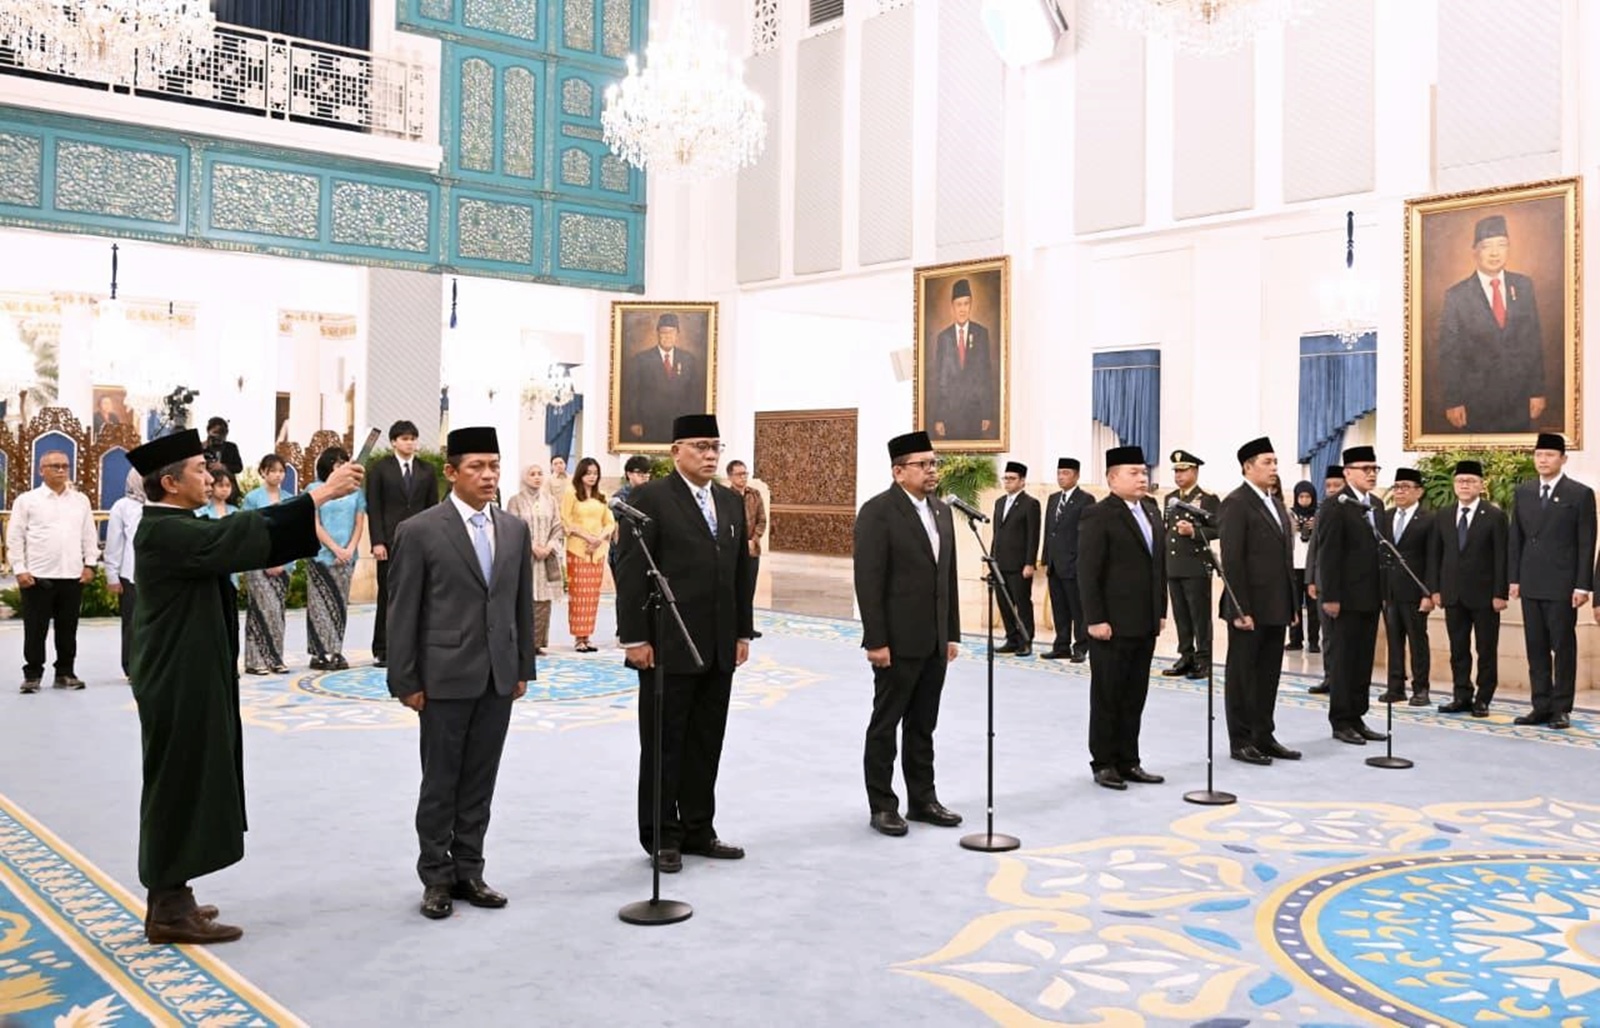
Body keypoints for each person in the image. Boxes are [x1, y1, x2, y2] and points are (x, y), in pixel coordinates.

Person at [128, 428, 364, 944]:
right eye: (198, 470)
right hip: (177, 679)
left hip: (191, 673)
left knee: (189, 779)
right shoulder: (164, 531)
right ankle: (167, 909)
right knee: (176, 784)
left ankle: (174, 897)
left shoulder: (180, 525)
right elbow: (241, 533)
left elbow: (240, 534)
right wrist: (322, 494)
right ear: (169, 483)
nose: (210, 477)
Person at [386, 426, 534, 920]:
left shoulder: (513, 529)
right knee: (441, 781)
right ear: (451, 472)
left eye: (494, 466)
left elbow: (518, 604)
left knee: (480, 780)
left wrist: (522, 666)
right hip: (443, 676)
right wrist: (405, 680)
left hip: (497, 676)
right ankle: (436, 875)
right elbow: (402, 610)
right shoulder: (420, 530)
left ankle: (470, 869)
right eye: (477, 467)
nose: (489, 475)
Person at [616, 414, 754, 869]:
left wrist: (741, 631)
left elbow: (740, 573)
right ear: (676, 451)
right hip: (667, 643)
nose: (710, 455)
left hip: (718, 644)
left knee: (706, 741)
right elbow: (632, 571)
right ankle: (661, 835)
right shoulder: (649, 499)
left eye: (715, 446)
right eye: (700, 446)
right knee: (665, 743)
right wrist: (635, 638)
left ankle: (699, 828)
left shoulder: (729, 502)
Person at [852, 430, 962, 836]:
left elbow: (947, 576)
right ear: (899, 472)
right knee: (886, 725)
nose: (932, 471)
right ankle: (882, 804)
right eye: (923, 464)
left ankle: (923, 799)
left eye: (934, 463)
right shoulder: (878, 512)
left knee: (923, 725)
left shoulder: (942, 511)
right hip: (896, 642)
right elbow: (869, 580)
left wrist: (951, 633)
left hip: (933, 639)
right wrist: (876, 640)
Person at [1078, 445, 1166, 791]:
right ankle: (1104, 762)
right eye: (1134, 472)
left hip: (1144, 621)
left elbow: (1158, 566)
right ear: (1113, 478)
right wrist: (1095, 619)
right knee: (1108, 695)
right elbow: (1088, 571)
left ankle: (1129, 760)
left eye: (1144, 472)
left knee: (1134, 695)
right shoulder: (1098, 515)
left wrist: (1160, 610)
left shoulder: (1151, 511)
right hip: (1111, 624)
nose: (1142, 478)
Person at [1218, 437, 1300, 766]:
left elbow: (1285, 559)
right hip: (1248, 608)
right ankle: (1241, 740)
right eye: (1267, 462)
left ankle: (1264, 735)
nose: (1274, 468)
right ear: (1247, 467)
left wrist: (1292, 604)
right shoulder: (1236, 503)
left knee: (1268, 675)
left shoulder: (1275, 504)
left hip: (1276, 605)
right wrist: (1241, 609)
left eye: (1275, 462)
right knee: (1243, 676)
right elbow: (1232, 560)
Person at [1512, 432, 1595, 729]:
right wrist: (1514, 578)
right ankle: (1541, 706)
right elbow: (1516, 538)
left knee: (1562, 647)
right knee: (1535, 648)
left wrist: (1583, 585)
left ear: (1563, 459)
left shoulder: (1579, 494)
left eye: (1549, 455)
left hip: (1562, 584)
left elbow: (1586, 542)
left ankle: (1561, 708)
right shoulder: (1523, 492)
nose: (1543, 460)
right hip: (1531, 582)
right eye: (1539, 455)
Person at [1437, 214, 1546, 434]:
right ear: (1475, 251)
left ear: (1509, 248)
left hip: (1519, 397)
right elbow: (1450, 353)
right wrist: (1453, 400)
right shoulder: (1457, 295)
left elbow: (1533, 341)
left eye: (1501, 245)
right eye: (1487, 246)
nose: (1495, 253)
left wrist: (1537, 391)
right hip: (1475, 401)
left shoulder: (1523, 286)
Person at [8, 450, 98, 693]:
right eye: (55, 466)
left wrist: (90, 564)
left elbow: (89, 534)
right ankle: (32, 675)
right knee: (35, 629)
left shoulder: (80, 501)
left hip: (72, 575)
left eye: (65, 466)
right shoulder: (27, 501)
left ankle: (65, 673)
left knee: (68, 629)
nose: (61, 470)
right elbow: (15, 537)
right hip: (37, 576)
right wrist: (19, 569)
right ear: (41, 470)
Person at [1316, 446, 1388, 746]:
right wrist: (1330, 596)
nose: (1371, 474)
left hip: (1371, 595)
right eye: (1365, 469)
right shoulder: (1336, 506)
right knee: (1344, 660)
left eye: (1375, 469)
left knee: (1363, 660)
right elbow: (1328, 554)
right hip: (1344, 598)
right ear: (1347, 472)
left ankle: (1358, 716)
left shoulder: (1377, 505)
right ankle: (1341, 720)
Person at [1429, 460, 1508, 717]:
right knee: (1458, 650)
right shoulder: (1443, 515)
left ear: (1481, 485)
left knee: (1486, 650)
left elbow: (1502, 557)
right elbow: (1435, 555)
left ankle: (1483, 698)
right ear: (1454, 485)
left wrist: (1500, 593)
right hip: (1453, 594)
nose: (1465, 485)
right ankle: (1461, 695)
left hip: (1485, 596)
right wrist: (1435, 589)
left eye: (1471, 481)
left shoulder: (1494, 515)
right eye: (1460, 481)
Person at [367, 420, 440, 669]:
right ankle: (383, 649)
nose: (410, 443)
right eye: (405, 439)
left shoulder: (427, 470)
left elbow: (432, 507)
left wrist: (433, 541)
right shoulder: (380, 469)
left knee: (421, 594)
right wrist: (377, 541)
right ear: (394, 442)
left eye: (413, 438)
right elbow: (374, 507)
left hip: (421, 541)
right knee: (388, 595)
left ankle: (417, 646)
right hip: (389, 542)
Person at [1162, 449, 1221, 681]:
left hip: (1195, 565)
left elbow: (1218, 528)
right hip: (1174, 565)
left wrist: (1194, 532)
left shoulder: (1207, 499)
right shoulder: (1170, 498)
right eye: (1176, 471)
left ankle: (1203, 659)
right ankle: (1186, 656)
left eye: (1183, 470)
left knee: (1199, 616)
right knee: (1181, 615)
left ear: (1195, 471)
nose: (1178, 475)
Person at [1379, 468, 1435, 707]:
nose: (1400, 492)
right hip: (1389, 591)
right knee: (1393, 640)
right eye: (1397, 487)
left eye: (1405, 487)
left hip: (1415, 591)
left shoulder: (1429, 519)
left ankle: (1421, 688)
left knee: (1417, 641)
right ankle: (1395, 687)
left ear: (1419, 491)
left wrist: (1428, 593)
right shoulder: (1386, 516)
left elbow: (1433, 558)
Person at [307, 446, 367, 671]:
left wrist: (349, 549)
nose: (342, 467)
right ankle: (320, 653)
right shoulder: (314, 489)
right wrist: (334, 548)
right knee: (319, 604)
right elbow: (314, 523)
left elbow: (359, 522)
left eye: (344, 462)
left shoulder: (355, 491)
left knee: (339, 605)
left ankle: (336, 650)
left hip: (348, 556)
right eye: (338, 463)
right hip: (322, 555)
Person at [240, 454, 294, 675]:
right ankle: (255, 660)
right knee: (260, 609)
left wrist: (284, 561)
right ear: (263, 472)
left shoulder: (289, 499)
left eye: (281, 471)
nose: (277, 475)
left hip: (283, 563)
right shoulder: (252, 498)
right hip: (259, 563)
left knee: (277, 611)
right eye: (273, 470)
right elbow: (248, 531)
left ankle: (275, 658)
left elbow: (292, 533)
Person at [504, 463, 565, 657]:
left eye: (540, 474)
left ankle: (538, 643)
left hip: (546, 558)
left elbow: (558, 527)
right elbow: (511, 527)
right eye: (532, 474)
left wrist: (549, 547)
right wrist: (531, 546)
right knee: (525, 598)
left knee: (543, 602)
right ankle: (523, 642)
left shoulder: (550, 500)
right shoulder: (515, 501)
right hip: (525, 558)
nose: (537, 477)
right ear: (524, 477)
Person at [930, 278, 996, 441]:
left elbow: (986, 375)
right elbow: (939, 380)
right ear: (952, 307)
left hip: (975, 413)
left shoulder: (981, 333)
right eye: (959, 304)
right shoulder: (943, 337)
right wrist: (938, 418)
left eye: (966, 303)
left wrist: (987, 413)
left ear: (971, 305)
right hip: (950, 414)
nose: (962, 309)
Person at [1040, 458, 1093, 662]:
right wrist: (1046, 558)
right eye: (1059, 473)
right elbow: (1049, 530)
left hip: (1074, 564)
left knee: (1077, 609)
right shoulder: (1053, 499)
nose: (1061, 477)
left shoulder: (1085, 499)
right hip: (1055, 564)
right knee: (1059, 608)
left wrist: (1081, 562)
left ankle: (1081, 646)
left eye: (1066, 473)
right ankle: (1061, 645)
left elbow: (1086, 534)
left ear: (1076, 476)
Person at [561, 457, 614, 653]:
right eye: (588, 473)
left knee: (592, 596)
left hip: (597, 552)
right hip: (578, 549)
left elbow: (609, 522)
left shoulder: (602, 496)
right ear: (580, 474)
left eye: (595, 473)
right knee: (578, 594)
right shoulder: (571, 493)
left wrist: (599, 538)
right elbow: (565, 520)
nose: (592, 477)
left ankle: (588, 636)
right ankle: (578, 637)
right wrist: (587, 537)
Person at [623, 314, 703, 444]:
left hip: (680, 425)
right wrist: (634, 421)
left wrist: (694, 423)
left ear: (677, 334)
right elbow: (632, 393)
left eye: (671, 332)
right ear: (657, 333)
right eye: (664, 332)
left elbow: (694, 395)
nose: (667, 336)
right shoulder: (641, 359)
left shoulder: (689, 359)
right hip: (650, 424)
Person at [991, 461, 1040, 657]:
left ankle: (1026, 641)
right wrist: (992, 560)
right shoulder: (999, 502)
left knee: (1022, 604)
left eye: (1012, 479)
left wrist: (1029, 563)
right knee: (1004, 604)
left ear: (1022, 481)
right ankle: (1011, 639)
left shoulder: (1030, 504)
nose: (1007, 482)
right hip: (1000, 563)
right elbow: (996, 533)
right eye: (1005, 478)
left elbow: (1033, 536)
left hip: (1020, 565)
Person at [103, 468, 146, 683]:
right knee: (132, 623)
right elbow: (114, 543)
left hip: (161, 575)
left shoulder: (163, 504)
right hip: (131, 575)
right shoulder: (123, 506)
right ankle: (132, 667)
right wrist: (112, 575)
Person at [1304, 464, 1344, 691]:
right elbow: (1314, 548)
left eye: (1336, 485)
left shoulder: (1356, 510)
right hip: (1322, 583)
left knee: (1344, 636)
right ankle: (1330, 677)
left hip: (1346, 585)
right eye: (1328, 486)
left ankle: (1344, 679)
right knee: (1327, 635)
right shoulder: (1322, 511)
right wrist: (1310, 579)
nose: (1331, 490)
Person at [727, 459, 768, 637]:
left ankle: (747, 627)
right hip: (732, 552)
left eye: (745, 473)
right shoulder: (725, 497)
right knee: (733, 590)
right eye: (739, 474)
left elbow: (762, 520)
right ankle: (732, 627)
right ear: (730, 476)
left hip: (752, 550)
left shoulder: (755, 494)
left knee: (748, 589)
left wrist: (754, 539)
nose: (743, 477)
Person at [1287, 481, 1319, 651]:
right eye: (1301, 496)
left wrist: (1316, 526)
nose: (1304, 500)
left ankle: (1313, 641)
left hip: (1312, 566)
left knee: (1314, 607)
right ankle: (1295, 640)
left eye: (1308, 497)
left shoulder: (1319, 515)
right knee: (1294, 604)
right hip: (1294, 564)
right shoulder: (1289, 514)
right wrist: (1292, 528)